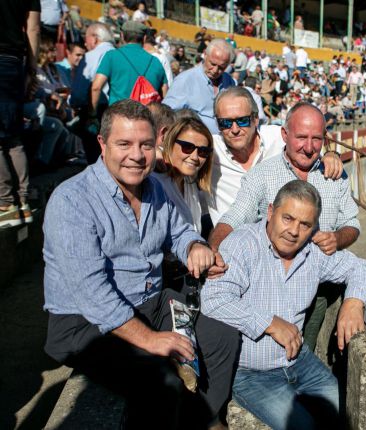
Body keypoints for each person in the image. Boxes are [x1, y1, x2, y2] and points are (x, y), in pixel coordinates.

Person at [42, 100, 239, 430]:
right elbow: (94, 295)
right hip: (86, 323)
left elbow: (178, 231)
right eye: (124, 144)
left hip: (148, 302)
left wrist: (193, 246)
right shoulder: (72, 200)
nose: (136, 155)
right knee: (160, 383)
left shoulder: (153, 191)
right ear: (102, 144)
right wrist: (150, 340)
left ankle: (199, 421)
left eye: (146, 145)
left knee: (223, 334)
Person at [201, 180, 366, 430]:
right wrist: (269, 323)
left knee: (346, 413)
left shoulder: (312, 251)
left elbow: (360, 266)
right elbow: (214, 300)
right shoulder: (243, 244)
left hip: (299, 361)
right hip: (251, 373)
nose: (294, 231)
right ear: (271, 212)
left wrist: (353, 303)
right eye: (287, 218)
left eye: (305, 224)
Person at [209, 102, 360, 351]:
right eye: (301, 137)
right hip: (271, 288)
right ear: (284, 135)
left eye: (317, 139)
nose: (309, 147)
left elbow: (352, 224)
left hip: (322, 289)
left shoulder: (335, 174)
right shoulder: (262, 175)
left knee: (304, 352)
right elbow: (234, 218)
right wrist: (214, 249)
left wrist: (338, 238)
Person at [208, 87, 343, 227]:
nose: (234, 129)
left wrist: (330, 154)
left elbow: (316, 138)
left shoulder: (278, 137)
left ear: (255, 119)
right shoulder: (207, 149)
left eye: (242, 121)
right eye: (225, 123)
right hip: (231, 238)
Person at [0, 0, 39, 228]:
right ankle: (22, 202)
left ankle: (5, 205)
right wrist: (32, 70)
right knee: (13, 136)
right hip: (14, 61)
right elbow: (33, 28)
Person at [153, 116, 215, 235]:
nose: (195, 157)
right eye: (187, 147)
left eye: (203, 151)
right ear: (170, 142)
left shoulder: (189, 181)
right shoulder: (155, 178)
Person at [91, 20, 168, 113]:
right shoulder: (156, 61)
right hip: (147, 121)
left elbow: (96, 87)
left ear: (122, 36)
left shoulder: (111, 56)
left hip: (118, 117)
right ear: (144, 38)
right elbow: (165, 94)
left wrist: (92, 114)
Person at [163, 39, 235, 135]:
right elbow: (167, 114)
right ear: (205, 54)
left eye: (221, 67)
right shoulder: (185, 80)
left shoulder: (229, 81)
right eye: (212, 64)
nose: (215, 70)